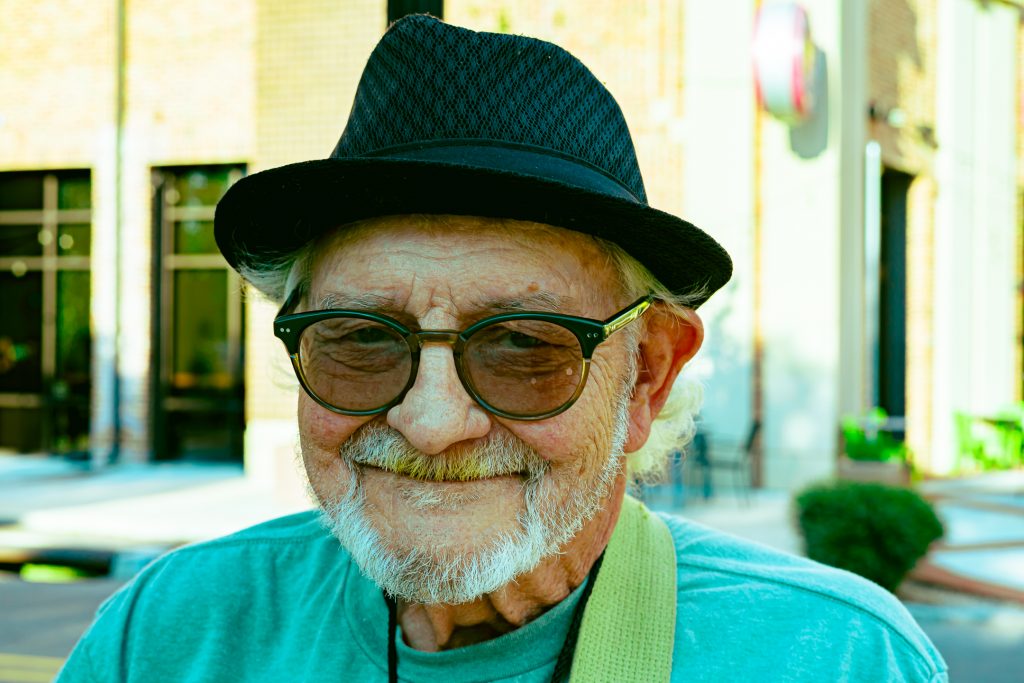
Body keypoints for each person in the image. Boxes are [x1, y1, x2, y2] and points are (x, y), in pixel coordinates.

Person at [58, 15, 947, 682]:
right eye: (362, 339)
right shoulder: (167, 637)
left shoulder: (834, 657)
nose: (433, 421)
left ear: (645, 376)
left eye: (525, 345)